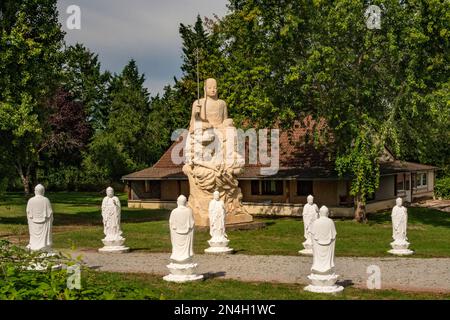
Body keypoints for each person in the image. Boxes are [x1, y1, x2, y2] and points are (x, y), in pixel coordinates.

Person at [310, 206, 337, 274]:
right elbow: (334, 236)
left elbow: (312, 235)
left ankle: (317, 266)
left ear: (319, 213)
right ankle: (328, 267)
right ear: (327, 213)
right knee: (327, 261)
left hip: (318, 246)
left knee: (317, 258)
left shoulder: (316, 222)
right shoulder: (330, 222)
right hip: (328, 247)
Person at [26, 184, 53, 251]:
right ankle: (42, 246)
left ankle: (35, 246)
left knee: (33, 236)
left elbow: (28, 212)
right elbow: (50, 213)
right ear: (43, 191)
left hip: (33, 223)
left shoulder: (31, 200)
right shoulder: (46, 200)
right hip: (42, 223)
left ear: (35, 191)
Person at [169, 195, 195, 262]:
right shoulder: (189, 211)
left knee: (177, 247)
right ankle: (186, 255)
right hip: (186, 233)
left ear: (178, 202)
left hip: (177, 234)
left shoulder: (174, 211)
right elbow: (192, 223)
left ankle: (177, 255)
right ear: (185, 202)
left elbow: (171, 223)